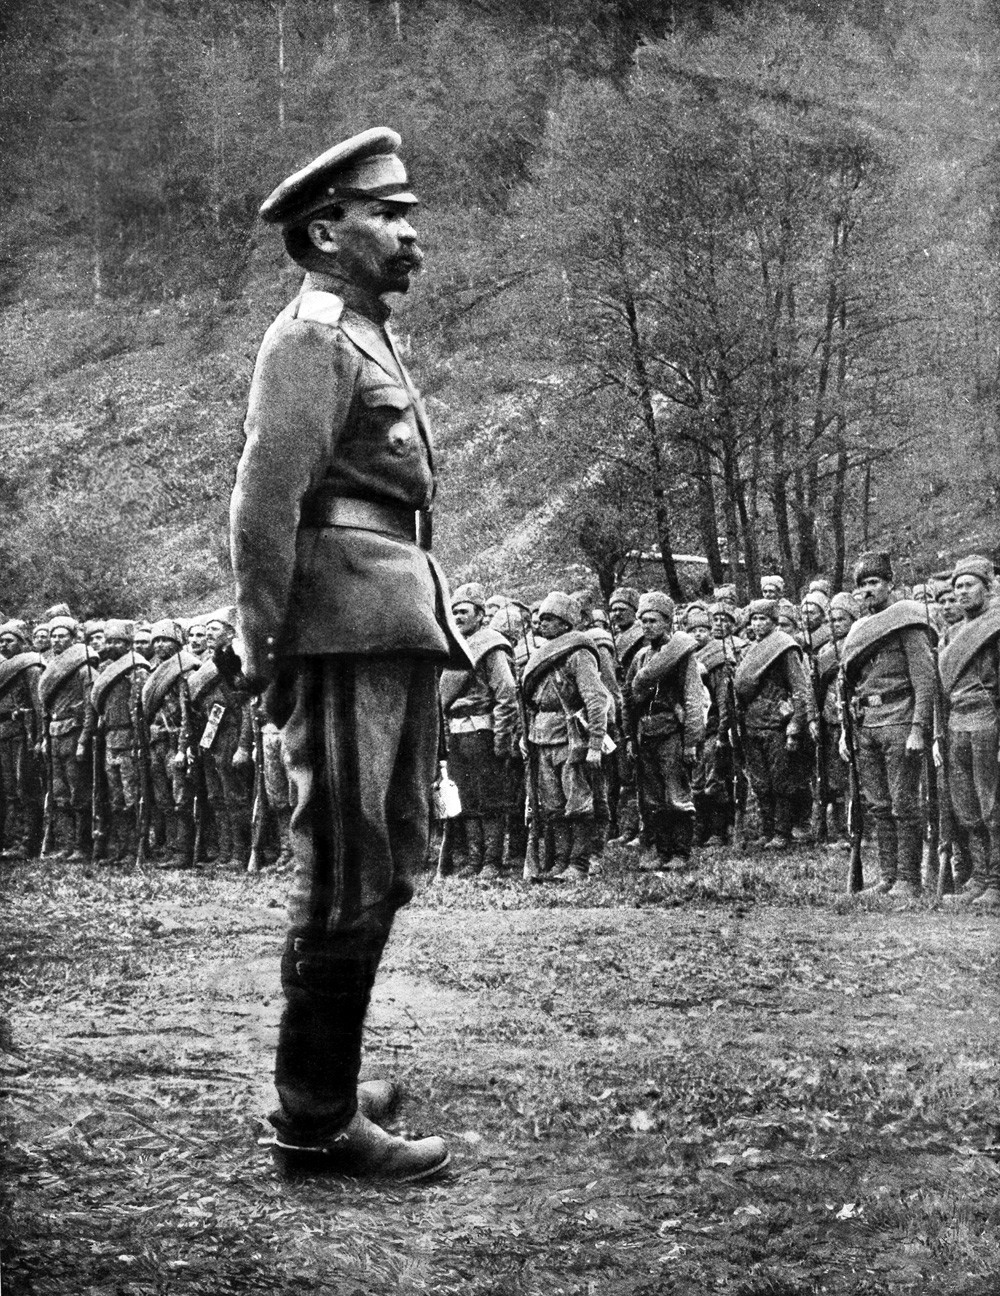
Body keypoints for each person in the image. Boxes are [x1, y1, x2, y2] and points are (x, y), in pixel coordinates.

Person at [231, 127, 467, 1182]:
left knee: (380, 857)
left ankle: (324, 1077)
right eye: (389, 214)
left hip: (382, 618)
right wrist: (261, 636)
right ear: (328, 231)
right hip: (336, 628)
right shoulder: (311, 336)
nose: (410, 232)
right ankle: (315, 1118)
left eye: (407, 212)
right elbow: (263, 500)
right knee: (343, 868)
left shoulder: (363, 332)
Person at [839, 551, 935, 903]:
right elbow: (847, 686)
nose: (868, 591)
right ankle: (888, 875)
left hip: (899, 719)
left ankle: (909, 878)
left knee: (903, 802)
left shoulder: (907, 622)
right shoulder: (856, 631)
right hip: (865, 724)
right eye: (862, 585)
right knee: (878, 805)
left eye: (874, 583)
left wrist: (919, 728)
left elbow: (925, 681)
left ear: (889, 585)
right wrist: (845, 732)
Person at [521, 592, 607, 882]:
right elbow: (530, 703)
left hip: (572, 738)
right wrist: (526, 736)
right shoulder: (540, 654)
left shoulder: (579, 652)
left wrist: (595, 744)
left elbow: (595, 700)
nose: (541, 624)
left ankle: (578, 864)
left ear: (566, 623)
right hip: (541, 736)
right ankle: (559, 861)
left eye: (549, 619)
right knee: (553, 804)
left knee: (578, 803)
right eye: (541, 618)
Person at [438, 582, 518, 880]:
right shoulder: (454, 646)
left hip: (483, 731)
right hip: (458, 734)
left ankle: (492, 862)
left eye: (463, 611)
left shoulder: (490, 646)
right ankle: (474, 862)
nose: (457, 617)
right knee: (466, 800)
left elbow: (507, 693)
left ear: (481, 615)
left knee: (490, 801)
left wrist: (502, 738)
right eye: (453, 612)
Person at [623, 593, 705, 868]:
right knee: (652, 798)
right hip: (646, 734)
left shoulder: (682, 656)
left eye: (653, 621)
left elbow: (693, 698)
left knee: (676, 795)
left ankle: (680, 853)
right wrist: (629, 738)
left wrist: (692, 741)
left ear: (668, 623)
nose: (647, 626)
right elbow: (629, 701)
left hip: (672, 733)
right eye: (643, 621)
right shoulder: (640, 658)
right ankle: (660, 850)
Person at [939, 556, 1000, 907]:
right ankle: (978, 877)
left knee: (992, 805)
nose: (961, 591)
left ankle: (996, 880)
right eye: (957, 585)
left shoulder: (994, 627)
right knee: (966, 806)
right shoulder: (951, 633)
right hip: (956, 723)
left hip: (987, 721)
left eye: (969, 584)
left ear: (987, 586)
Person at [733, 599, 813, 850]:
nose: (758, 624)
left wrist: (796, 727)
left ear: (774, 622)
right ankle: (767, 830)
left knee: (781, 782)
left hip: (777, 724)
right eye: (754, 619)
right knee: (760, 782)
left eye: (763, 619)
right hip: (752, 723)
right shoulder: (749, 651)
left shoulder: (784, 648)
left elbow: (800, 689)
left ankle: (782, 832)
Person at [85, 620, 151, 865]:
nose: (112, 646)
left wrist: (138, 738)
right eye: (109, 641)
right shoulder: (106, 669)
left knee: (132, 795)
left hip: (130, 739)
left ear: (128, 644)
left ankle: (137, 848)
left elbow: (141, 707)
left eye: (118, 642)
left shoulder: (137, 668)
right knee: (116, 799)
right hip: (110, 739)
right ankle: (120, 849)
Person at [38, 615, 98, 860]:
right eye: (53, 636)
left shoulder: (84, 669)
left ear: (74, 639)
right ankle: (64, 845)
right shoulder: (52, 670)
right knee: (59, 793)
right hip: (54, 735)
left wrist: (84, 741)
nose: (56, 640)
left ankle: (82, 846)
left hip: (74, 735)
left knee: (78, 793)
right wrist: (44, 738)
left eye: (62, 636)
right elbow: (45, 709)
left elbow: (89, 709)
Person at [0, 621, 45, 858]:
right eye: (2, 641)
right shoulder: (4, 669)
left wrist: (39, 737)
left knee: (24, 789)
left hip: (24, 735)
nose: (4, 645)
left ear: (22, 642)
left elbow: (39, 707)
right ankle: (13, 840)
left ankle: (28, 843)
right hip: (5, 734)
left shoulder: (30, 667)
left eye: (10, 641)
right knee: (9, 791)